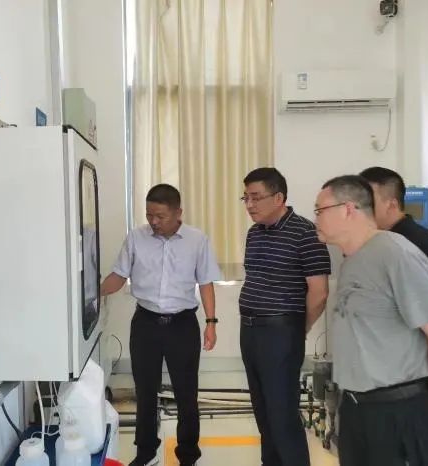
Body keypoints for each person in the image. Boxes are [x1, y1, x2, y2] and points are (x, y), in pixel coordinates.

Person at [314, 175, 428, 466]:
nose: (316, 218)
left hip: (397, 412)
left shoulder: (396, 253)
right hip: (358, 409)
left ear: (348, 209)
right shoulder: (353, 259)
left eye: (320, 210)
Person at [101, 184, 221, 466]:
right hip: (146, 324)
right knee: (144, 391)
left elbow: (206, 282)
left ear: (178, 213)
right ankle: (145, 452)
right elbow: (119, 276)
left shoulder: (197, 240)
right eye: (149, 215)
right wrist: (92, 294)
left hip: (182, 325)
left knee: (186, 393)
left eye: (160, 216)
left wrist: (211, 323)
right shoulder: (136, 238)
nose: (153, 221)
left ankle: (188, 455)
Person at [360, 166, 428, 466]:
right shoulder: (380, 243)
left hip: (414, 382)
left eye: (368, 200)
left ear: (391, 203)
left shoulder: (421, 244)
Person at [239, 167, 330, 466]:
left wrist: (297, 329)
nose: (249, 204)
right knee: (263, 411)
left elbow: (319, 292)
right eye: (246, 198)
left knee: (282, 414)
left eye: (256, 197)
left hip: (281, 331)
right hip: (250, 330)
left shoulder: (305, 233)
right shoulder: (254, 233)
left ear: (278, 198)